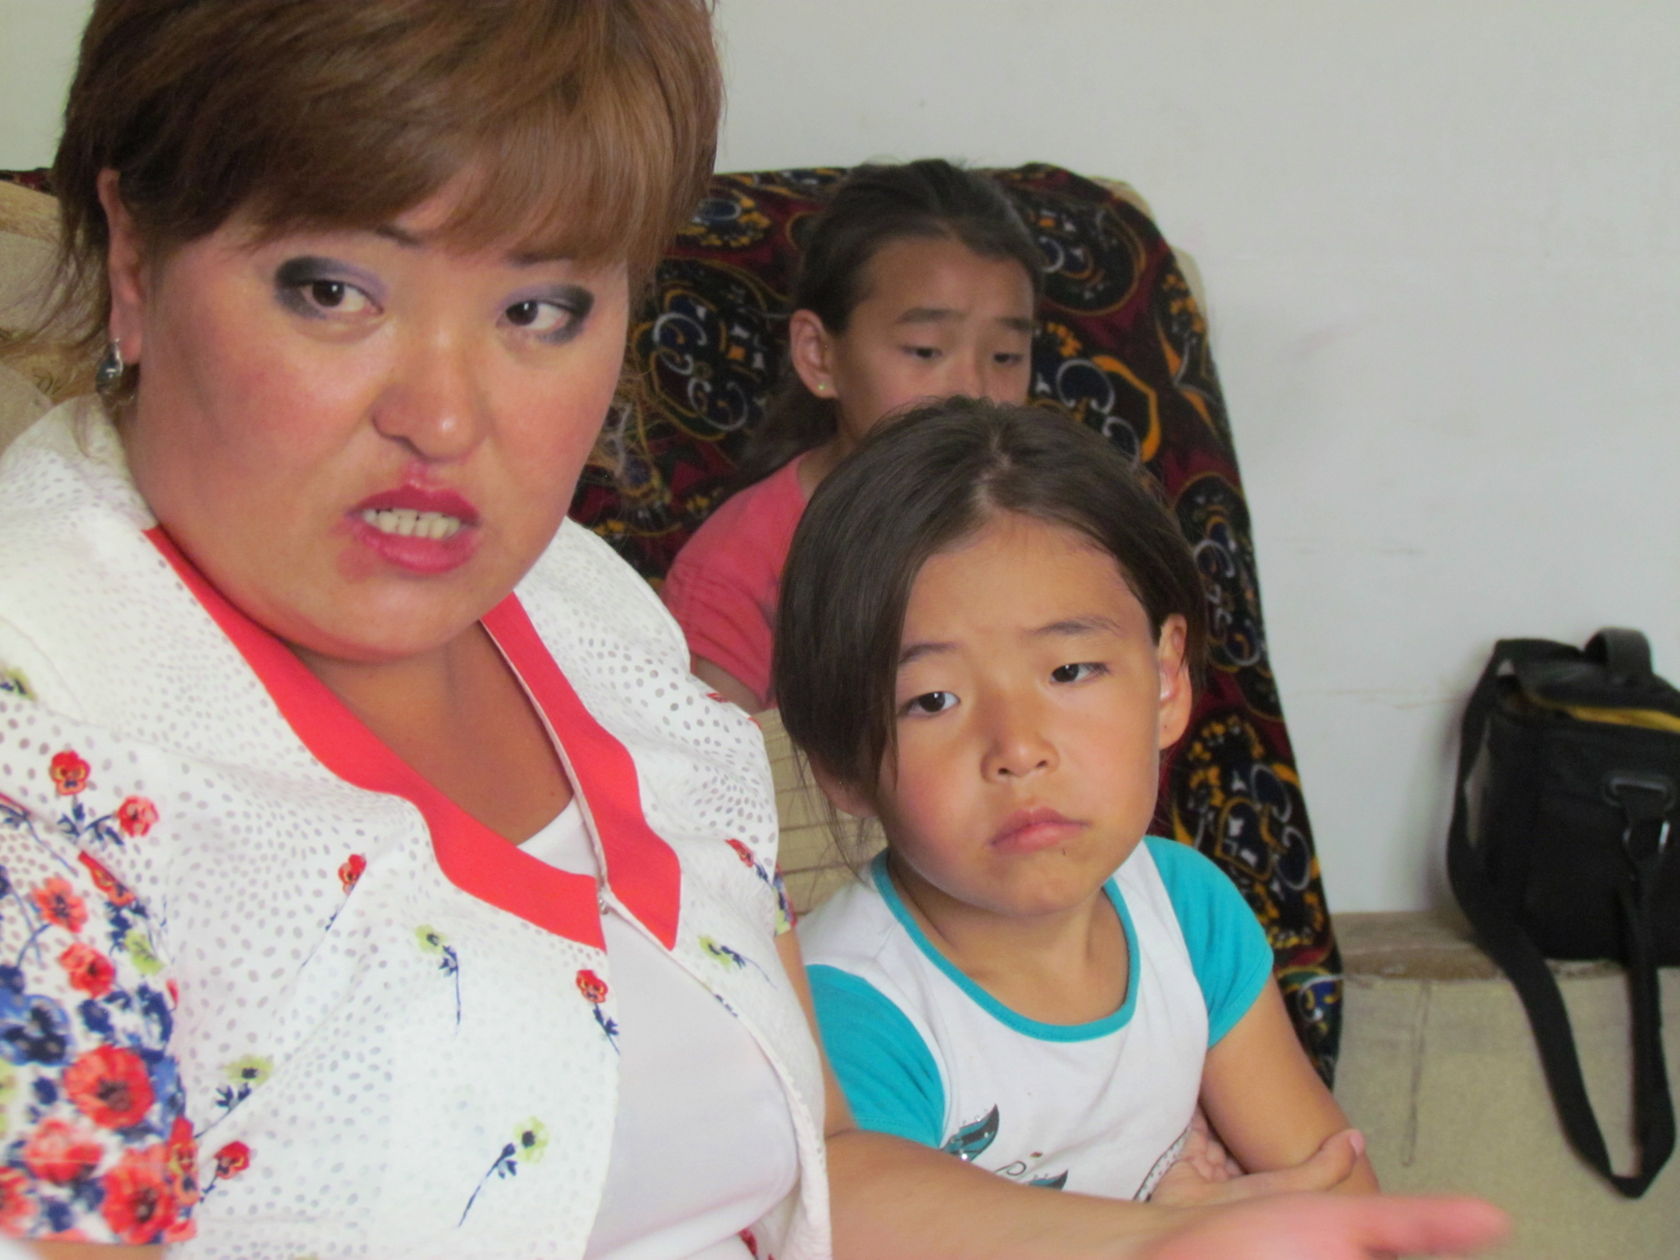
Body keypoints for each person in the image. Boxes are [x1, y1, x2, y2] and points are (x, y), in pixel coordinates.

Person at [0, 3, 1510, 1256]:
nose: (446, 418)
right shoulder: (44, 754)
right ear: (133, 258)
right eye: (332, 289)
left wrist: (1148, 1243)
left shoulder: (587, 620)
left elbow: (812, 1172)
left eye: (541, 309)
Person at [777, 398, 1379, 1203]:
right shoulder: (853, 1017)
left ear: (1166, 679)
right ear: (840, 762)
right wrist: (1187, 1230)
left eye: (1069, 672)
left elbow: (1342, 1199)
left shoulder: (1186, 913)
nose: (1019, 749)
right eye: (932, 700)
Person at [662, 158, 1041, 712]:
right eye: (926, 351)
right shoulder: (737, 570)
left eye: (1006, 356)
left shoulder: (1055, 523)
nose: (974, 390)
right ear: (819, 354)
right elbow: (712, 759)